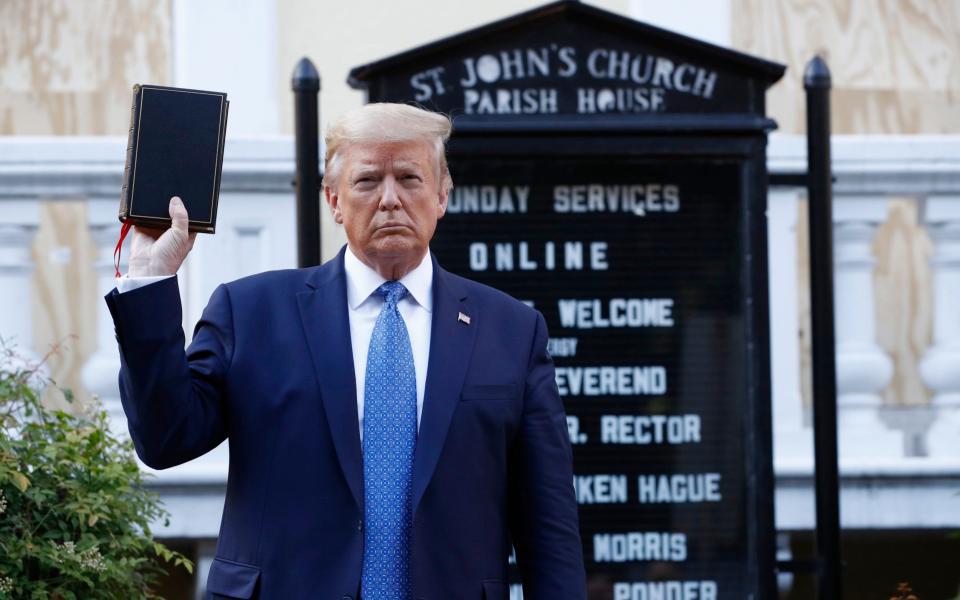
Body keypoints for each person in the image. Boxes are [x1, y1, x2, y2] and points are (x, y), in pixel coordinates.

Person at [105, 103, 586, 599]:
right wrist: (150, 282)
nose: (390, 200)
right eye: (368, 181)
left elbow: (548, 528)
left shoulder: (510, 330)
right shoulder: (252, 312)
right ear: (334, 200)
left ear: (442, 196)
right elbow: (165, 439)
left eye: (409, 178)